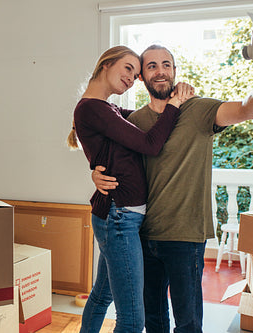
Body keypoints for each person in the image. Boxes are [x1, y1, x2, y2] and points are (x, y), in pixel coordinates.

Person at [92, 38, 253, 333]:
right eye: (152, 65)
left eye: (166, 65)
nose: (160, 71)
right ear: (141, 76)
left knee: (188, 323)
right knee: (153, 321)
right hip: (142, 234)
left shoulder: (200, 110)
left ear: (174, 72)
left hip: (185, 236)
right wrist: (94, 172)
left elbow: (247, 110)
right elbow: (105, 151)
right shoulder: (134, 120)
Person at [67, 45, 195, 333]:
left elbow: (145, 117)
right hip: (119, 218)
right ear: (105, 65)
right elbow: (150, 143)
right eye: (128, 68)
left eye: (136, 73)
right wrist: (174, 105)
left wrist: (173, 97)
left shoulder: (107, 109)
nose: (132, 77)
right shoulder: (91, 108)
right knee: (133, 319)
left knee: (102, 295)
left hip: (116, 215)